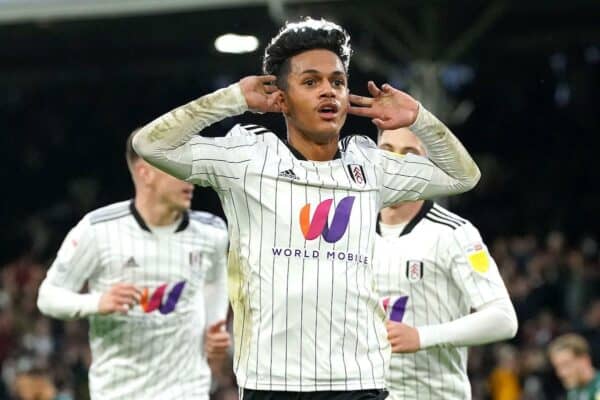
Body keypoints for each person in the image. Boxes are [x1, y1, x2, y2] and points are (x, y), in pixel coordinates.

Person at [133, 17, 480, 400]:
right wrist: (230, 99)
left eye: (337, 81)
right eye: (311, 82)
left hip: (359, 381)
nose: (328, 92)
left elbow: (462, 176)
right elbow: (150, 145)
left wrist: (420, 118)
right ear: (280, 98)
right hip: (272, 383)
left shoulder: (370, 166)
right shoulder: (244, 157)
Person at [37, 131, 231, 400]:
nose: (190, 176)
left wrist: (215, 325)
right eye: (178, 166)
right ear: (145, 172)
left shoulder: (212, 231)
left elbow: (214, 281)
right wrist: (96, 303)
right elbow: (48, 298)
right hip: (119, 393)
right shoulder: (98, 229)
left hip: (188, 390)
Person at [372, 127, 517, 400]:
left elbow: (504, 319)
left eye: (410, 153)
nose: (396, 161)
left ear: (428, 166)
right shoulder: (352, 227)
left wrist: (421, 336)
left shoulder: (454, 233)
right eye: (388, 150)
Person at [549, 333, 600, 400]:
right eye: (557, 367)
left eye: (566, 365)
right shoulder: (573, 393)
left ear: (584, 360)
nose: (561, 373)